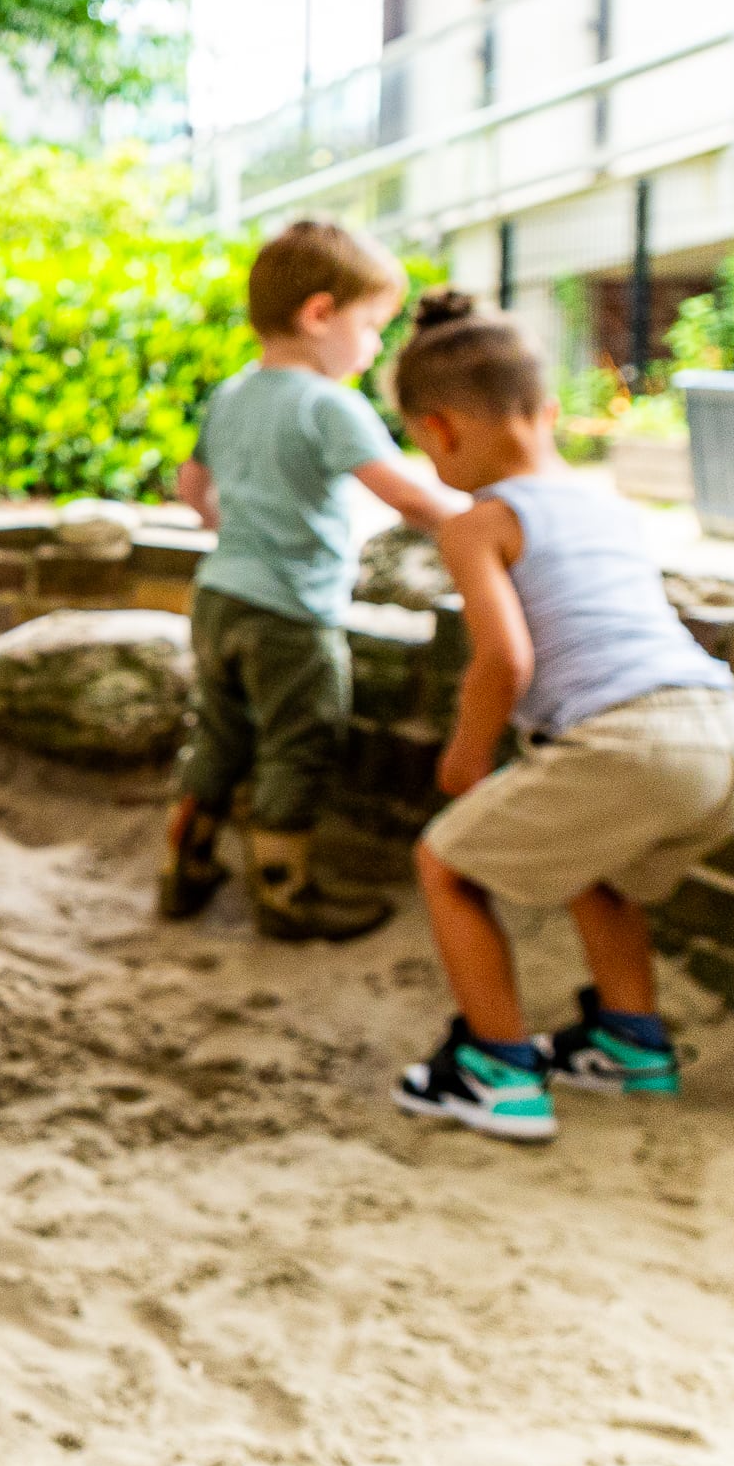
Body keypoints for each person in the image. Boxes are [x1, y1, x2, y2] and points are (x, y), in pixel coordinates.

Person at [387, 293, 734, 1142]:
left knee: (446, 863)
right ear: (549, 412)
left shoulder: (479, 522)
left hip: (632, 741)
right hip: (730, 739)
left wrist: (467, 754)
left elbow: (505, 659)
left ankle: (496, 1070)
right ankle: (630, 1044)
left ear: (439, 431)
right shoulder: (608, 505)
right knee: (597, 861)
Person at [160, 218, 468, 941]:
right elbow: (411, 497)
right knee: (299, 743)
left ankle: (185, 868)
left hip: (219, 597)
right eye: (371, 325)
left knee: (219, 735)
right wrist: (487, 518)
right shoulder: (328, 403)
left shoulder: (232, 394)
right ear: (320, 313)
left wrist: (225, 525)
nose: (373, 347)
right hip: (291, 614)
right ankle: (286, 893)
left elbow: (192, 483)